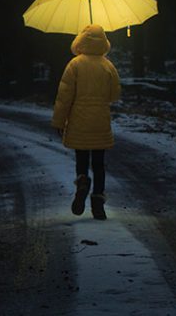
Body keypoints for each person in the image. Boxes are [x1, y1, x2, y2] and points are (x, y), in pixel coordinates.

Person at [52, 24, 121, 220]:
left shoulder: (74, 65)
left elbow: (64, 96)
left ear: (81, 40)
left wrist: (59, 121)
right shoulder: (108, 65)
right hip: (100, 119)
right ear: (103, 42)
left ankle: (82, 182)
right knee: (99, 163)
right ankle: (98, 202)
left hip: (78, 119)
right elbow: (115, 94)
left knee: (82, 158)